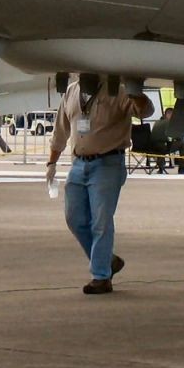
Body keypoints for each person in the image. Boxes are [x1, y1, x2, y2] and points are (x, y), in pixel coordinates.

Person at [46, 73, 152, 294]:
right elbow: (60, 131)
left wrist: (136, 92)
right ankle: (107, 260)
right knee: (74, 219)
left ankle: (101, 277)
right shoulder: (71, 91)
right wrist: (52, 163)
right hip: (78, 164)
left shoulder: (117, 89)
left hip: (107, 163)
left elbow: (145, 111)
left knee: (101, 222)